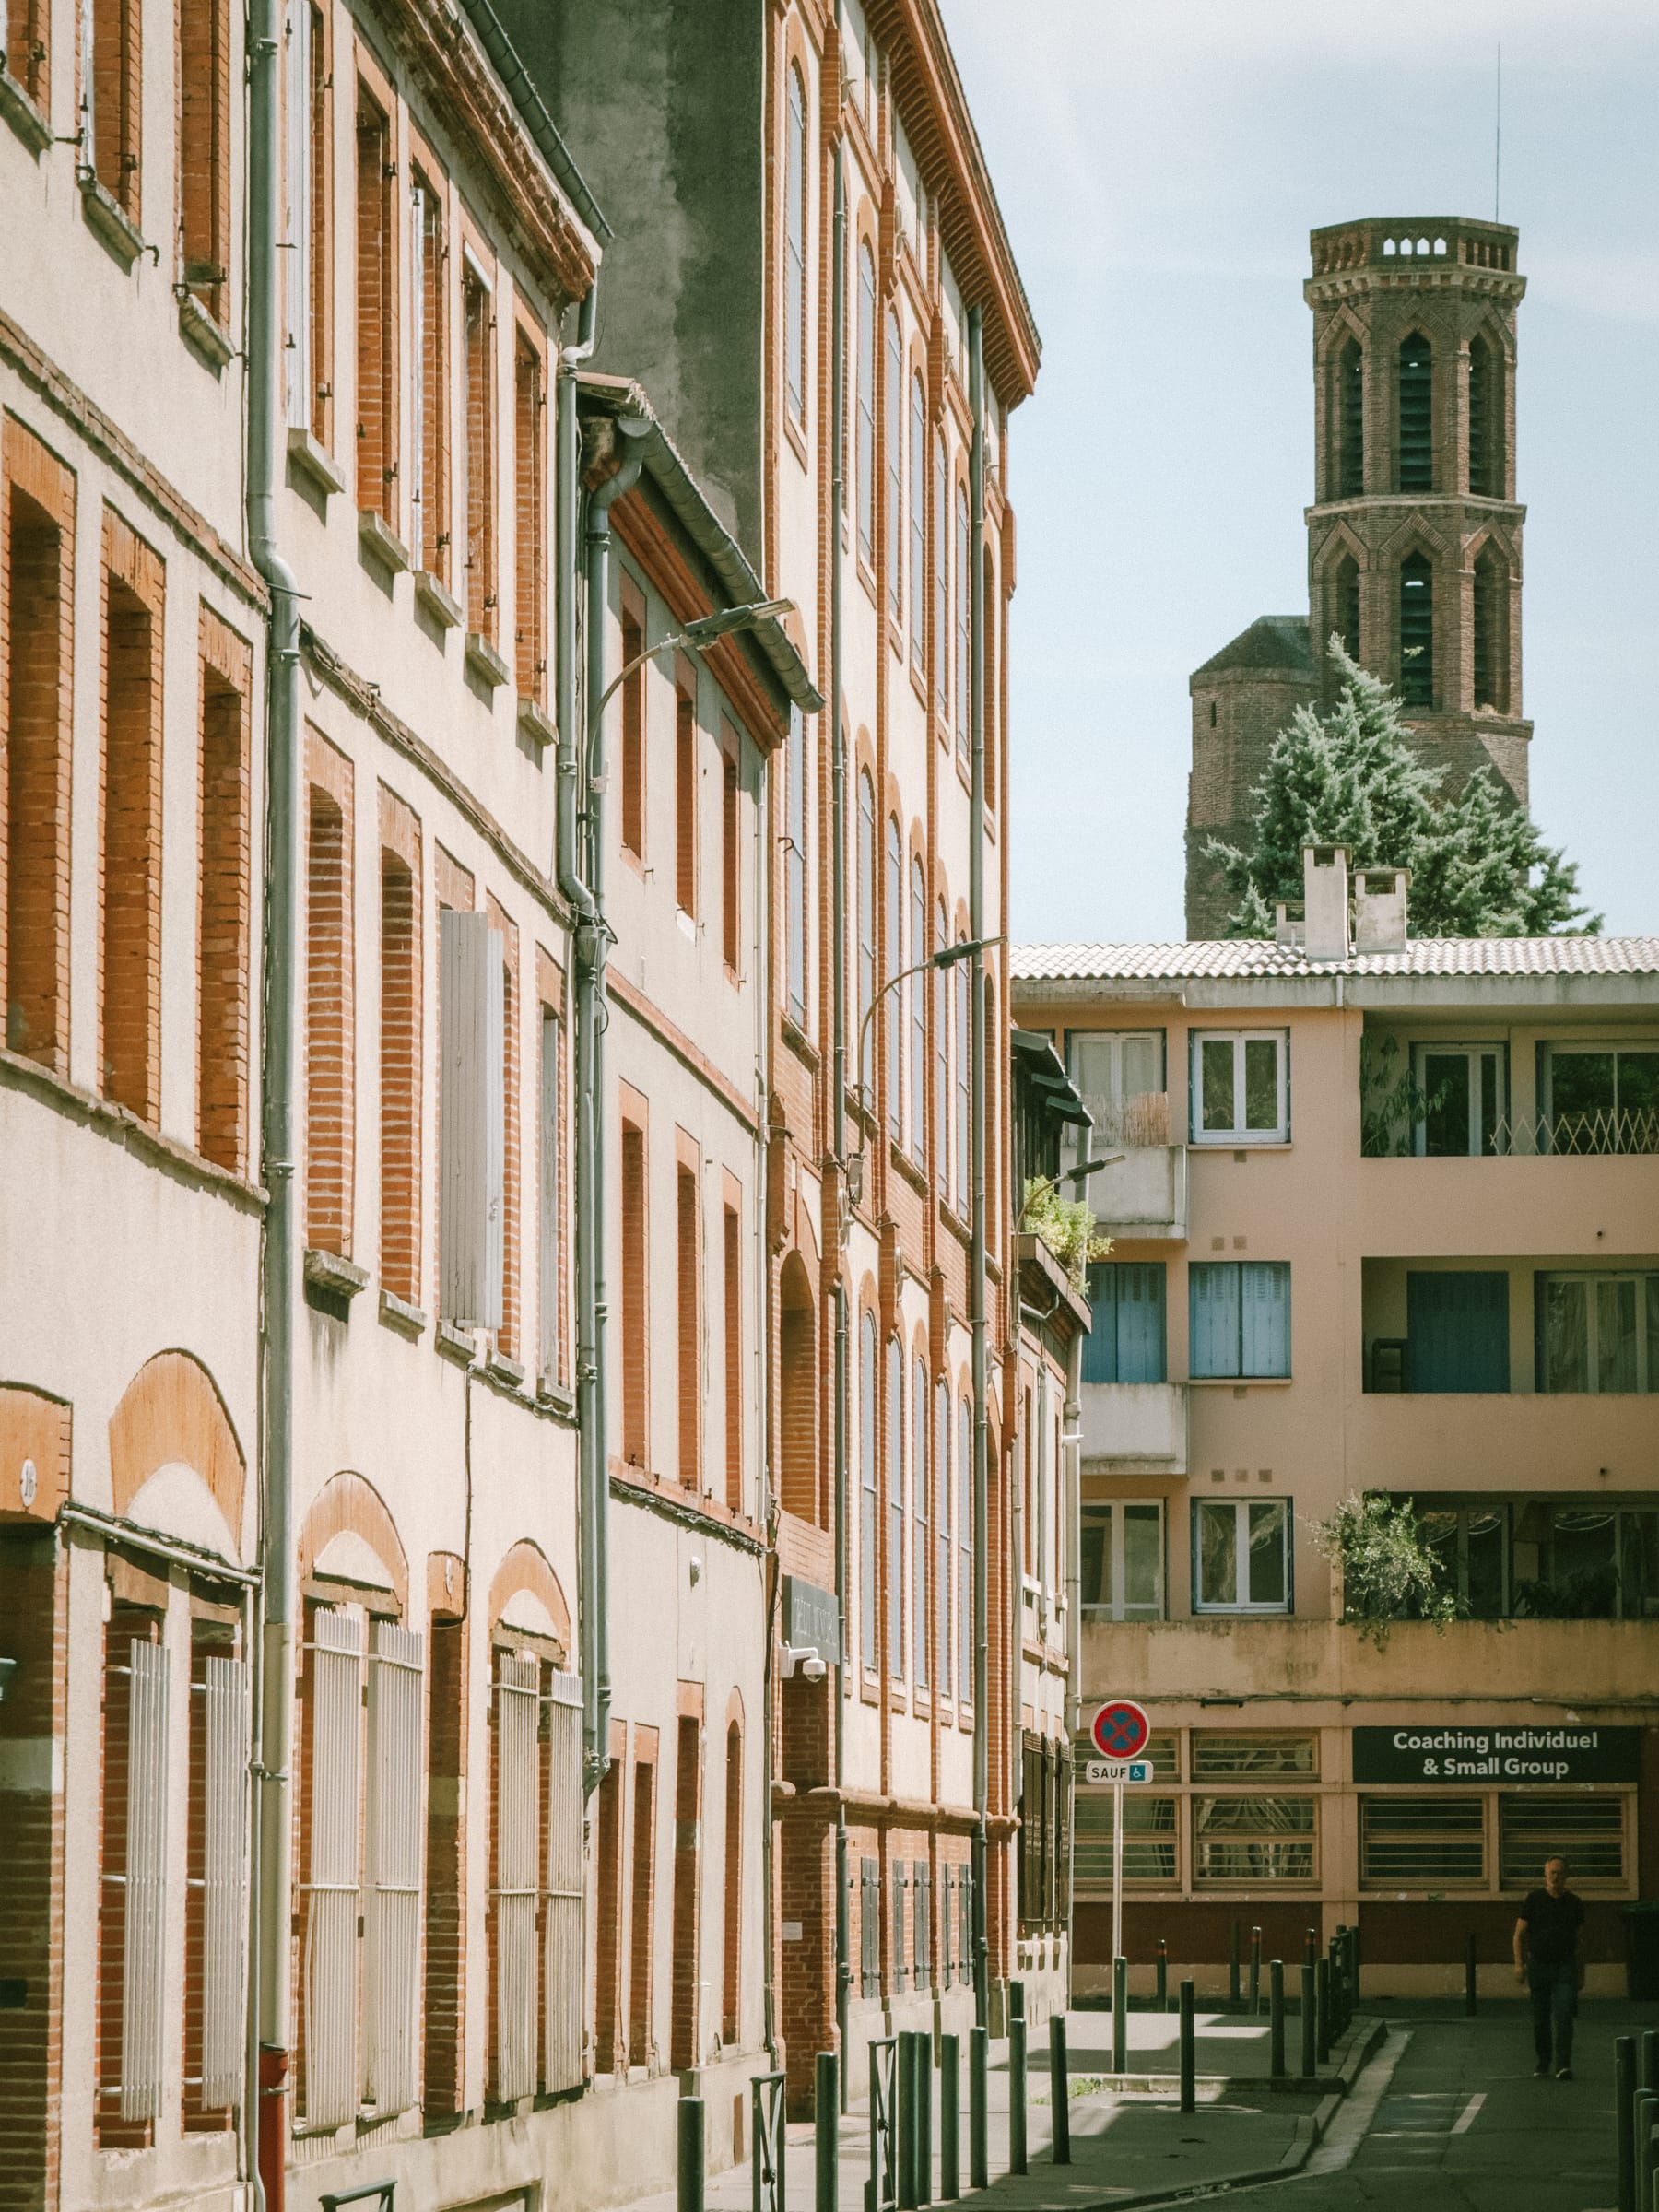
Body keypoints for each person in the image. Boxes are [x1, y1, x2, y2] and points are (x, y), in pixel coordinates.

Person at [1513, 1853, 1586, 2079]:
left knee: (1564, 2014)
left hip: (1565, 1966)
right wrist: (1519, 1965)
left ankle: (1563, 2064)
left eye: (1560, 1872)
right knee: (1541, 2017)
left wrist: (1581, 1972)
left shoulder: (1574, 1903)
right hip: (1538, 1965)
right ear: (1545, 1875)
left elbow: (1580, 1941)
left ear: (1567, 1876)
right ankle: (1543, 2061)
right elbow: (1518, 1935)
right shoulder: (1534, 1900)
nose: (1556, 1877)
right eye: (1552, 1872)